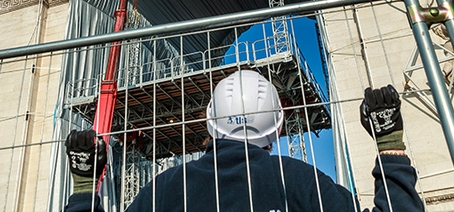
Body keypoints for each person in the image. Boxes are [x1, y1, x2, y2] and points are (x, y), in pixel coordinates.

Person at [63, 70, 423, 212]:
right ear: (278, 128)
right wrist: (389, 145)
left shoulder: (168, 188)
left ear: (208, 123)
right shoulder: (300, 182)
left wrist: (84, 186)